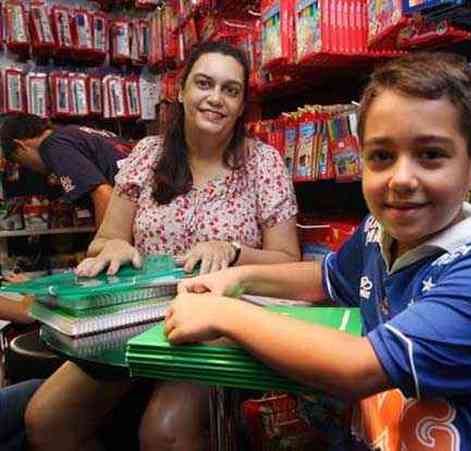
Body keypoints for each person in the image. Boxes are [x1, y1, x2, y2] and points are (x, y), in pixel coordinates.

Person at [167, 52, 471, 450]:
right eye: (381, 156)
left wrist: (225, 313)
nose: (401, 179)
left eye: (430, 155)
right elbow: (324, 278)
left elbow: (359, 367)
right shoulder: (381, 230)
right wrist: (236, 277)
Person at [24, 40, 301, 451]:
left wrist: (232, 249)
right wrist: (114, 246)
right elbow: (105, 242)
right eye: (204, 84)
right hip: (135, 318)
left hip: (218, 322)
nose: (215, 98)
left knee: (165, 432)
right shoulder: (147, 155)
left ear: (243, 104)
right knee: (46, 420)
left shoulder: (264, 162)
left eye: (231, 90)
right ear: (182, 90)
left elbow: (289, 263)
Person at [0, 114, 134, 226]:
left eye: (20, 161)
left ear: (20, 145)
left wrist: (104, 245)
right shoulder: (73, 132)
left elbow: (104, 194)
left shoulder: (53, 146)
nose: (31, 169)